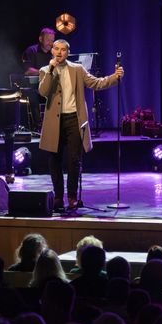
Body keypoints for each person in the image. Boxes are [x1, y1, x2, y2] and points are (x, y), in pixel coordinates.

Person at [38, 39, 123, 209]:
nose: (59, 52)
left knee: (74, 160)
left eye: (63, 50)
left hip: (74, 119)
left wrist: (114, 77)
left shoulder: (77, 69)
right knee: (54, 159)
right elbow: (43, 91)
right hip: (54, 122)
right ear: (52, 51)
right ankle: (58, 197)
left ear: (68, 52)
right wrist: (51, 70)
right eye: (56, 49)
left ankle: (71, 196)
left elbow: (95, 83)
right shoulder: (45, 70)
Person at [21, 27, 57, 130]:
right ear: (41, 39)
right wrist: (46, 72)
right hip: (33, 88)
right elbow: (28, 70)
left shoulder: (54, 53)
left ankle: (56, 126)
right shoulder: (31, 50)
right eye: (48, 40)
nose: (51, 43)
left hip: (49, 87)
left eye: (52, 40)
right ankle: (38, 126)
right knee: (33, 95)